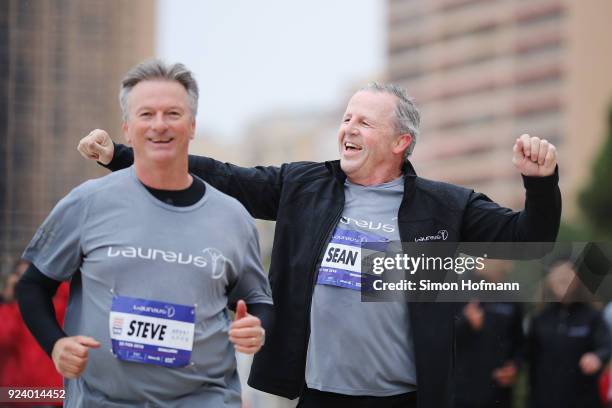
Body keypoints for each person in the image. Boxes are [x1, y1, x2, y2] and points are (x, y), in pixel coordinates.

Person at [78, 83, 561, 408]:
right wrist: (125, 155)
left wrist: (540, 184)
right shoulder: (304, 186)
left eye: (365, 123)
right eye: (347, 117)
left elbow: (530, 241)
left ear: (400, 142)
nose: (348, 128)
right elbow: (222, 177)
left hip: (405, 397)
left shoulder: (445, 205)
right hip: (317, 394)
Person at [16, 59, 272, 407]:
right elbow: (32, 286)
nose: (160, 125)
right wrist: (56, 344)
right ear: (126, 128)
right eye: (146, 114)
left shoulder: (232, 217)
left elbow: (258, 301)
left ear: (192, 125)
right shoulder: (88, 202)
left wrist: (255, 328)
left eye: (173, 114)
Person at [528, 259, 611, 408]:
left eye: (568, 276)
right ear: (549, 281)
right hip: (544, 399)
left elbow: (606, 346)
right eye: (558, 277)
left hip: (583, 399)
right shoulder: (539, 318)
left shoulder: (592, 317)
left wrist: (597, 357)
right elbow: (526, 354)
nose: (563, 281)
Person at [454, 260, 524, 408]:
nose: (507, 265)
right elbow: (438, 340)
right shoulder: (457, 291)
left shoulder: (512, 297)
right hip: (462, 394)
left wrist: (515, 366)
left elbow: (520, 343)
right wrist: (465, 322)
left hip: (499, 393)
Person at [0, 260, 67, 402]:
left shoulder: (58, 307)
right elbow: (3, 340)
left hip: (52, 395)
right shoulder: (10, 312)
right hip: (17, 396)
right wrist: (7, 300)